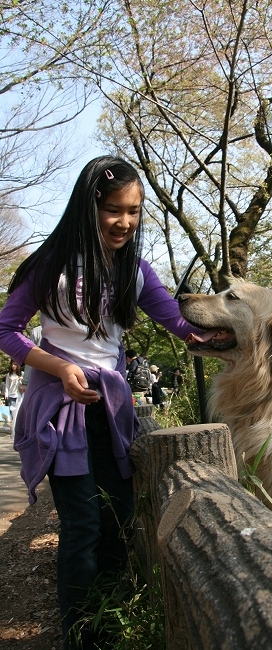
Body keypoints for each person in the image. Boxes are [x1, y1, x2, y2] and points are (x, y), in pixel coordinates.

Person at [0, 156, 202, 650]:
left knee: (117, 518)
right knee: (84, 524)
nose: (125, 222)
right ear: (89, 206)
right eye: (114, 210)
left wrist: (245, 321)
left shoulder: (134, 269)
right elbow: (6, 329)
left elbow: (178, 321)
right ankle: (82, 636)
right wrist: (58, 366)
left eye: (134, 212)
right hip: (60, 409)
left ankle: (113, 626)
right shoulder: (50, 266)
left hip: (111, 411)